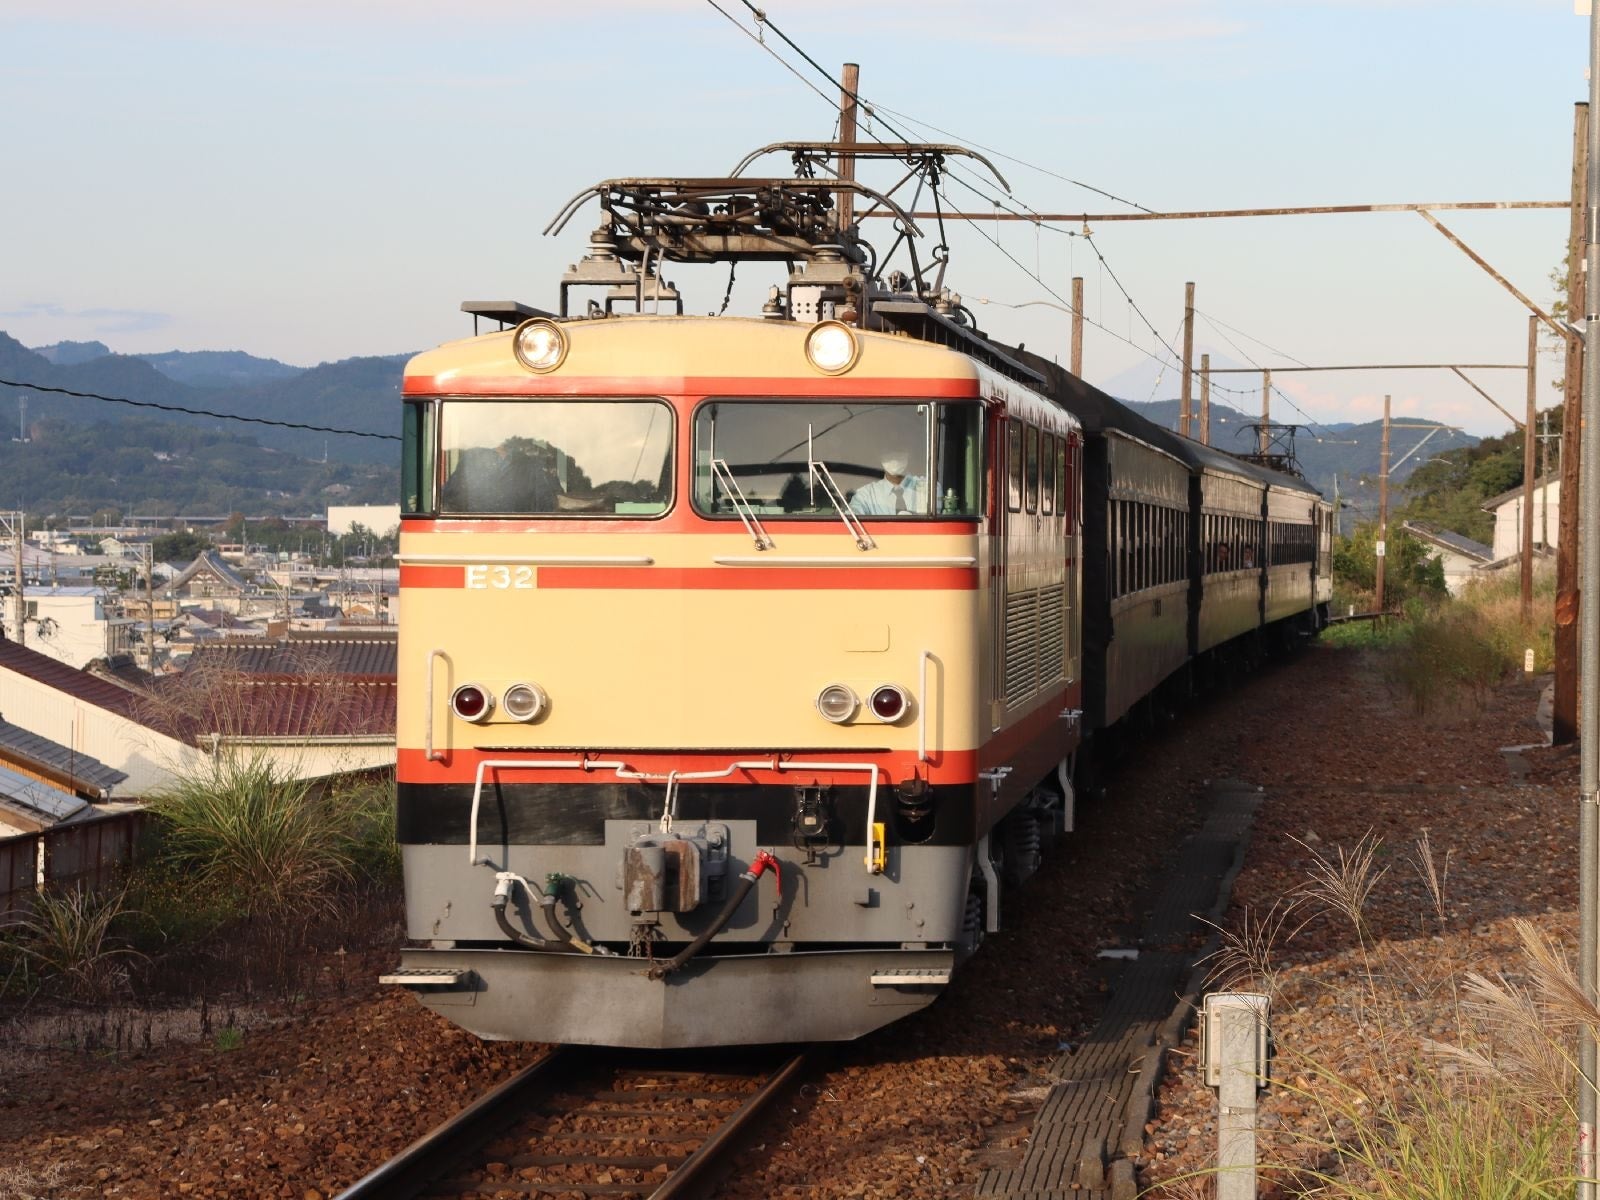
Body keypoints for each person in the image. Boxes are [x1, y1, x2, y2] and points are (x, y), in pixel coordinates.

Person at [849, 452, 924, 516]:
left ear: (908, 452)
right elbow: (850, 521)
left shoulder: (928, 488)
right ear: (881, 456)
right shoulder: (865, 495)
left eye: (899, 451)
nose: (894, 458)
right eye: (888, 452)